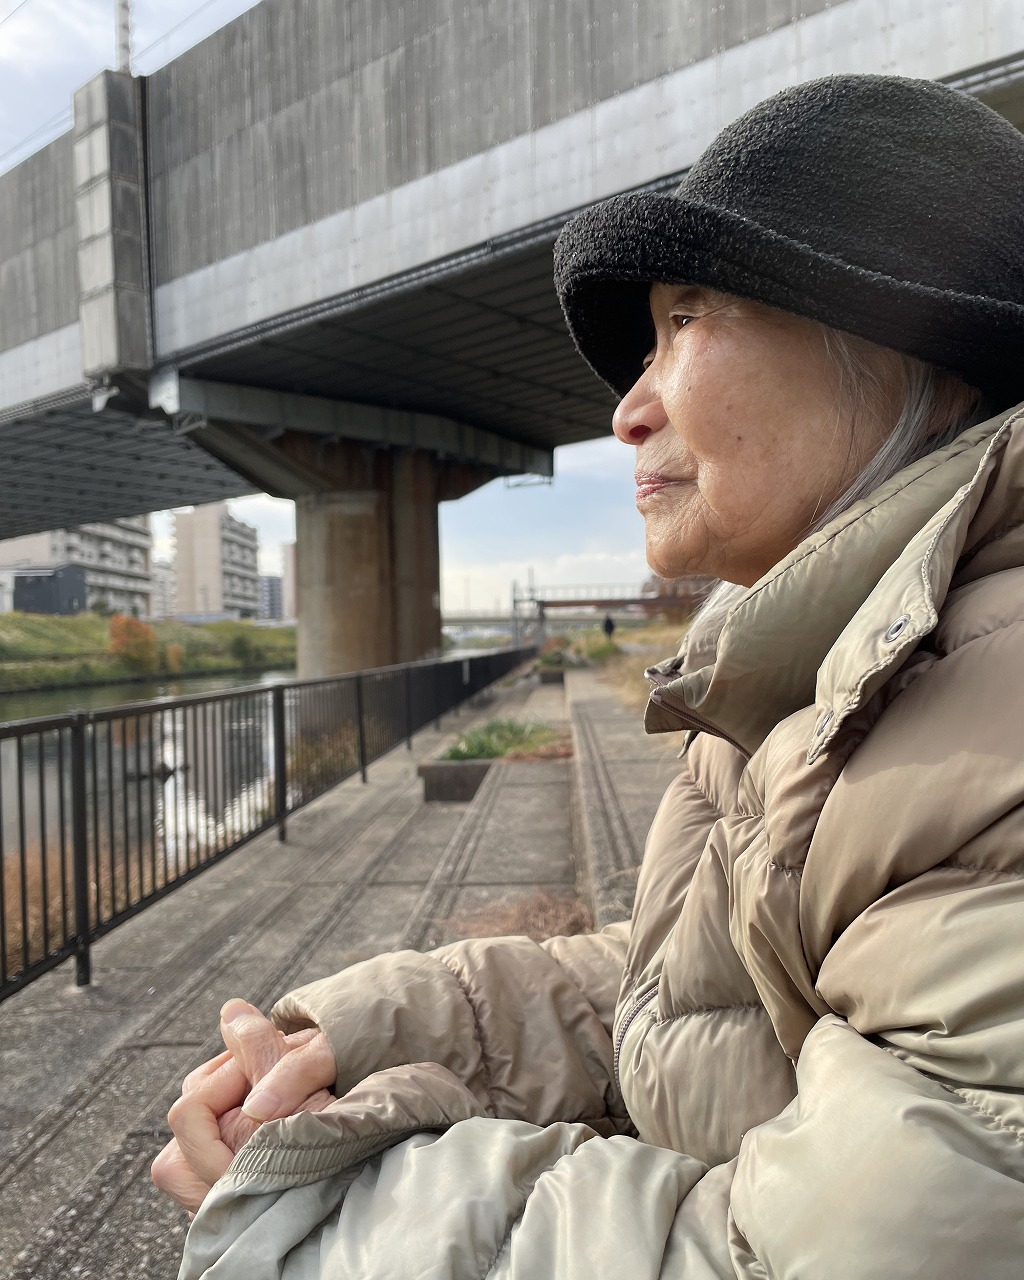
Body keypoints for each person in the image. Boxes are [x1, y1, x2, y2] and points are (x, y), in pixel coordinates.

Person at [154, 74, 1024, 1277]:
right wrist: (376, 1030)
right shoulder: (831, 675)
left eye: (686, 318)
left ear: (907, 349)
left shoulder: (987, 729)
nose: (626, 410)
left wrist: (320, 1203)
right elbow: (704, 1002)